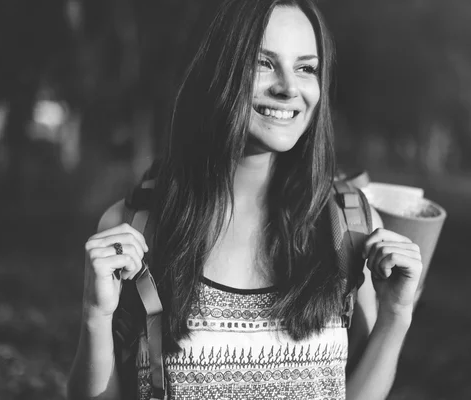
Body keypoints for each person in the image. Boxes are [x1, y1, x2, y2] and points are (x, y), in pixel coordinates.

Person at [67, 0, 422, 399]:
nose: (289, 88)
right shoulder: (136, 227)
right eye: (263, 63)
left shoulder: (348, 225)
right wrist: (95, 316)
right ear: (215, 69)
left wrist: (396, 316)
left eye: (307, 68)